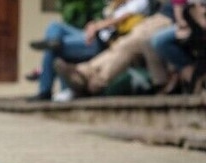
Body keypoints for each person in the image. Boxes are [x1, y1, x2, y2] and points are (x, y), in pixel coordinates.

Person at [27, 0, 151, 101]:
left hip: (101, 43)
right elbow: (105, 19)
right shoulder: (118, 5)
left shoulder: (140, 2)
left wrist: (96, 26)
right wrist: (93, 25)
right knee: (54, 26)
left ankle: (44, 87)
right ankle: (53, 42)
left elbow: (119, 20)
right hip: (93, 36)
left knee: (53, 49)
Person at [56, 1, 184, 97]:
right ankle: (84, 73)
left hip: (169, 18)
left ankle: (91, 82)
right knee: (123, 45)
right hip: (162, 16)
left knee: (133, 41)